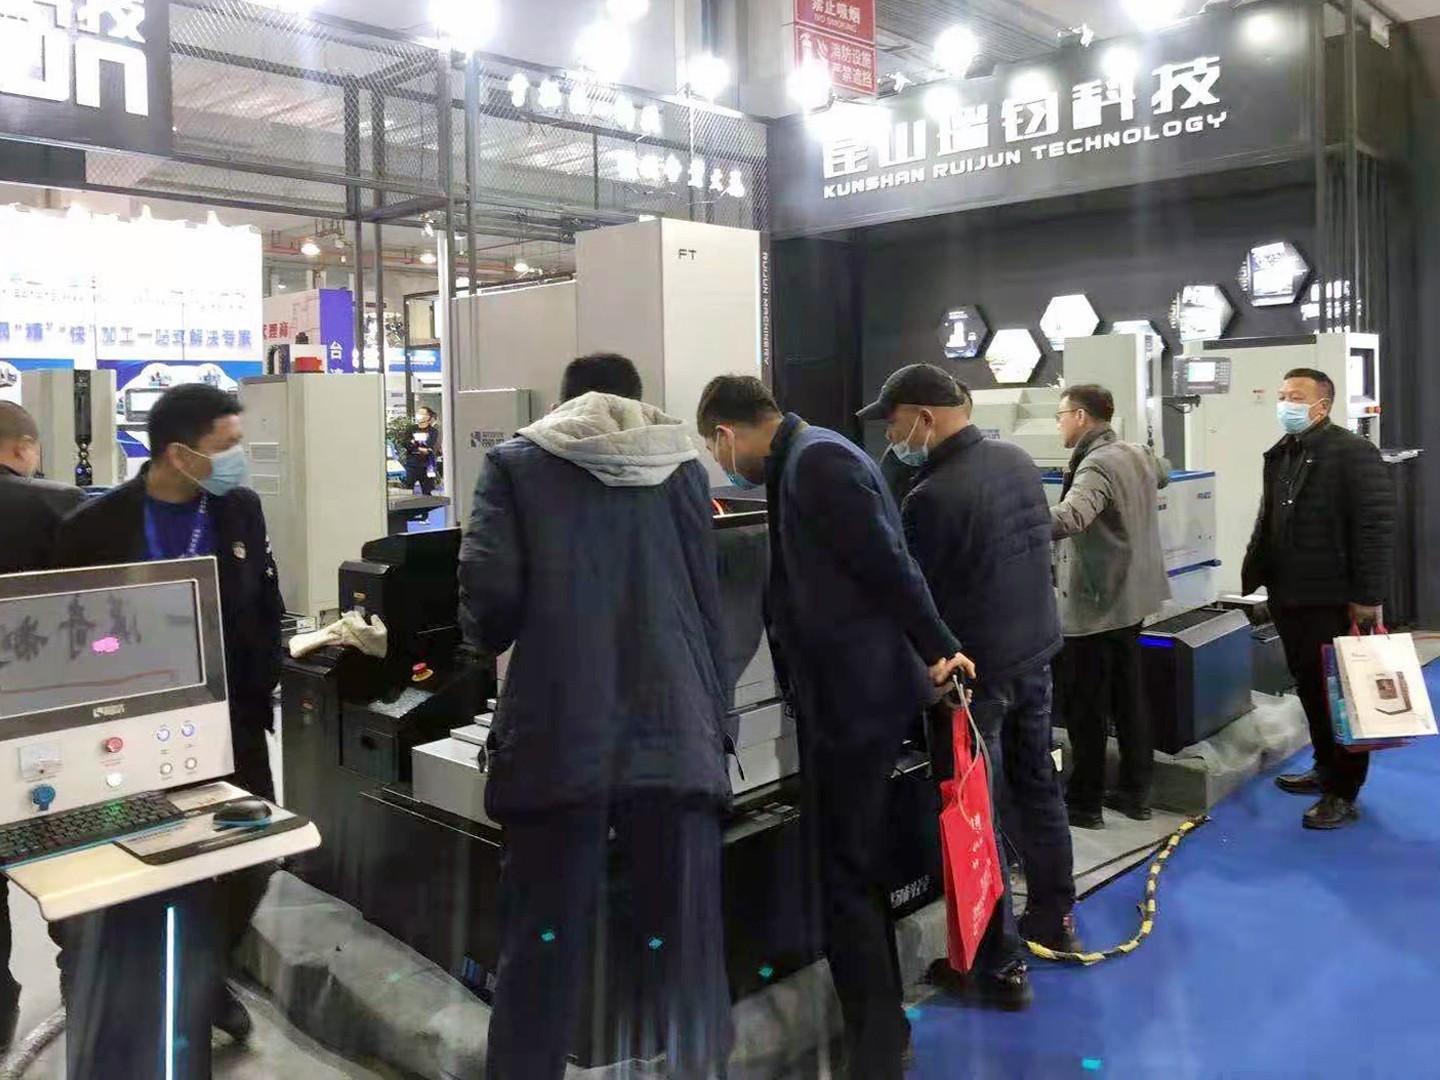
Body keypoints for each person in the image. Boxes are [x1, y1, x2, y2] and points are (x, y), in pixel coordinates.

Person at [460, 353, 732, 1080]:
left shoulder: (516, 465)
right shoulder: (682, 467)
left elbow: (490, 604)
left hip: (559, 736)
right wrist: (715, 723)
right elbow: (709, 605)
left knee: (542, 946)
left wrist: (484, 635)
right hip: (675, 734)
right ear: (636, 401)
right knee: (686, 947)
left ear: (563, 403)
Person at [696, 375, 971, 1080]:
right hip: (841, 698)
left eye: (715, 450)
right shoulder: (804, 459)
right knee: (847, 868)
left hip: (857, 701)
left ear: (726, 433)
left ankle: (878, 1045)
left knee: (846, 875)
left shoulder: (818, 460)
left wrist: (941, 648)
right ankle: (878, 1029)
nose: (723, 465)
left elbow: (890, 566)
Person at [53, 383, 284, 1041]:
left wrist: (264, 675)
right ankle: (160, 987)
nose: (238, 456)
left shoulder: (237, 508)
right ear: (179, 454)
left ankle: (204, 973)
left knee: (249, 858)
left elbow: (264, 600)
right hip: (129, 729)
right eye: (226, 445)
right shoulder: (94, 527)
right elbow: (70, 636)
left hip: (231, 721)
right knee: (149, 862)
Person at [858, 365, 1078, 1011]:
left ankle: (998, 966)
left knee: (974, 816)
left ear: (924, 417)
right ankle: (1054, 917)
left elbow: (917, 597)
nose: (891, 437)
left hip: (972, 683)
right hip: (1035, 655)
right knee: (1038, 787)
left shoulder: (932, 497)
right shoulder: (1017, 461)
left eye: (894, 423)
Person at [1242, 368, 1395, 830]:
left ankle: (1343, 791)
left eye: (1296, 396)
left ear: (1322, 406)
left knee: (1341, 697)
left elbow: (1375, 527)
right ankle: (1325, 766)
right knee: (1309, 688)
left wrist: (1367, 596)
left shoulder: (1352, 453)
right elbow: (1270, 519)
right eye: (1282, 394)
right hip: (1291, 595)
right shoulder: (1284, 452)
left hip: (1333, 597)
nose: (1285, 403)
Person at [0, 402, 85, 1048]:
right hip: (48, 715)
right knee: (73, 860)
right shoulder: (58, 504)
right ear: (22, 447)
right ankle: (86, 993)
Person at [1050, 385, 1169, 830]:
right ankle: (1136, 794)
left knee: (1086, 709)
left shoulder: (1096, 463)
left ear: (1081, 416)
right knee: (1129, 698)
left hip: (1095, 605)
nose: (1058, 424)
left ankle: (1085, 805)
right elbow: (1164, 472)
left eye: (1061, 415)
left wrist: (1013, 513)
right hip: (1131, 599)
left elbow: (1071, 517)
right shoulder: (1136, 452)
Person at [401, 405, 442, 495]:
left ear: (428, 417)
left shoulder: (433, 431)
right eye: (418, 413)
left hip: (426, 464)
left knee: (427, 491)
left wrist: (414, 442)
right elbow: (405, 443)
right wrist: (419, 447)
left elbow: (429, 444)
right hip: (411, 463)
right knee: (408, 489)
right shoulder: (411, 429)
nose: (419, 415)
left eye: (422, 413)